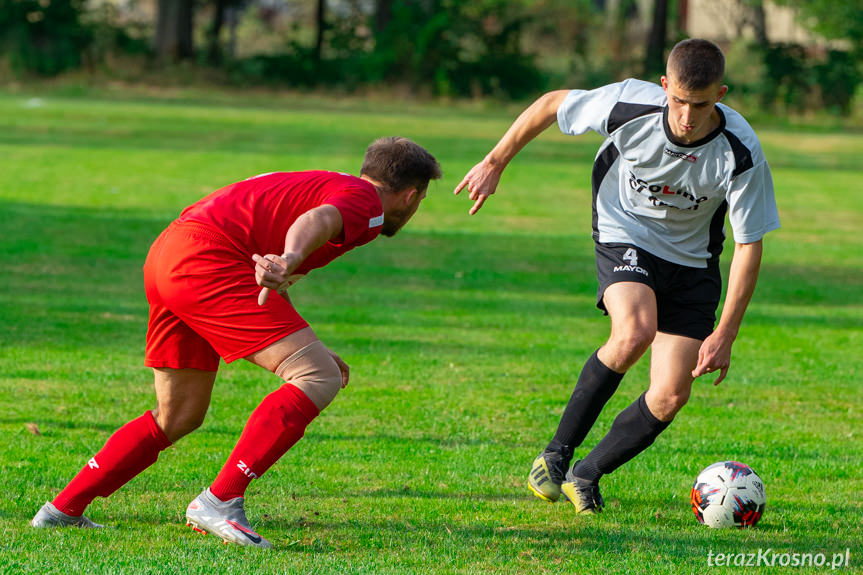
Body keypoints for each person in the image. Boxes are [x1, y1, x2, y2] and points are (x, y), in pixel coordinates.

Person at [31, 136, 442, 547]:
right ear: (411, 195)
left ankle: (61, 509)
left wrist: (300, 322)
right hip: (207, 260)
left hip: (169, 253)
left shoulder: (329, 182)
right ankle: (220, 500)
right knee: (318, 377)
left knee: (179, 414)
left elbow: (278, 248)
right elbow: (319, 221)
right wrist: (291, 258)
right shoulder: (367, 204)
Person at [454, 39, 779, 515]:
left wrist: (725, 332)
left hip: (692, 262)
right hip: (624, 229)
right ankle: (554, 457)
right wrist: (495, 160)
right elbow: (550, 104)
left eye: (702, 104)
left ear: (722, 95)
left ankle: (585, 474)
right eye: (679, 101)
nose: (687, 116)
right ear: (664, 86)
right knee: (634, 332)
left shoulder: (740, 150)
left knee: (670, 394)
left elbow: (750, 245)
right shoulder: (630, 104)